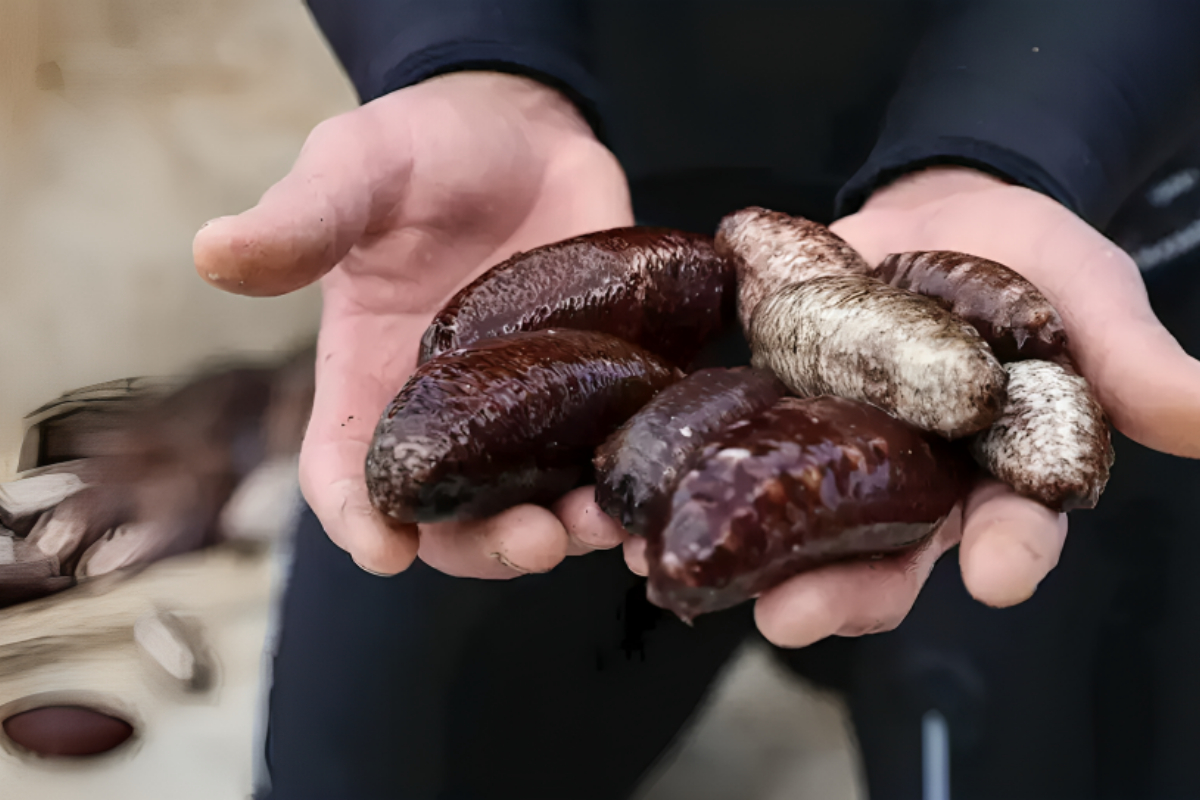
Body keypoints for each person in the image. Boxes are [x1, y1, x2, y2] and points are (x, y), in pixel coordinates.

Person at [192, 2, 1200, 797]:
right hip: (582, 191)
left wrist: (1023, 141)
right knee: (378, 753)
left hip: (1076, 179)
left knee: (1022, 727)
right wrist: (461, 51)